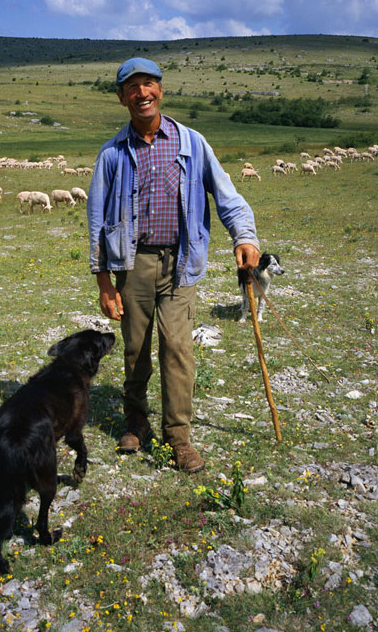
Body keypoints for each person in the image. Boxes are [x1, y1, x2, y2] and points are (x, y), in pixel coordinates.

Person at [87, 57, 260, 473]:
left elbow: (226, 194)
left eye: (148, 84)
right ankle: (136, 420)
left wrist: (245, 235)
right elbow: (96, 220)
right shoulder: (112, 154)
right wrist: (104, 284)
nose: (141, 93)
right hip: (134, 263)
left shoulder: (192, 143)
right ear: (121, 97)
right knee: (135, 348)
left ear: (161, 90)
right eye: (132, 87)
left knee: (179, 348)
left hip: (181, 262)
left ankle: (178, 437)